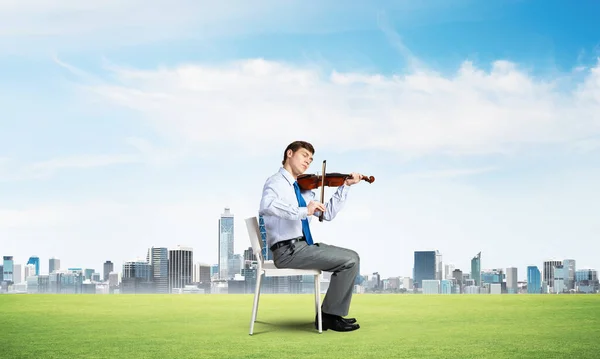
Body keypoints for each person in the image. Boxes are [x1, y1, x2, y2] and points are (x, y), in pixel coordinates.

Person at [259, 140, 363, 332]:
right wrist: (303, 210)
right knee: (350, 260)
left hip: (302, 247)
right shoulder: (275, 182)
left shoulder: (302, 188)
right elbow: (267, 205)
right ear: (289, 153)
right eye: (304, 155)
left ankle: (330, 315)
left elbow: (328, 213)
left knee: (352, 258)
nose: (308, 161)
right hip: (287, 250)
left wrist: (345, 186)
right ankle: (328, 317)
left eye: (311, 159)